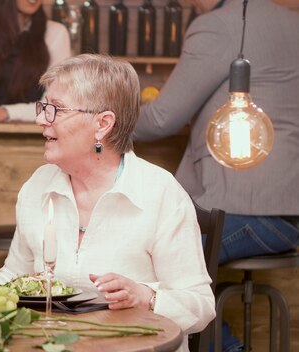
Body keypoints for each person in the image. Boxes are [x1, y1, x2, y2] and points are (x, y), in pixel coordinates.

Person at [0, 54, 215, 352]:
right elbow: (17, 281)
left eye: (56, 109)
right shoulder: (38, 186)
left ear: (102, 124)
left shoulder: (159, 193)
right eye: (43, 107)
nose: (40, 119)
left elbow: (201, 306)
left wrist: (147, 297)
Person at [134, 1, 299, 350]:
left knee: (144, 260)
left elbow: (163, 118)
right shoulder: (291, 20)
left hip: (245, 210)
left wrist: (101, 116)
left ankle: (227, 348)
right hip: (288, 214)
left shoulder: (219, 26)